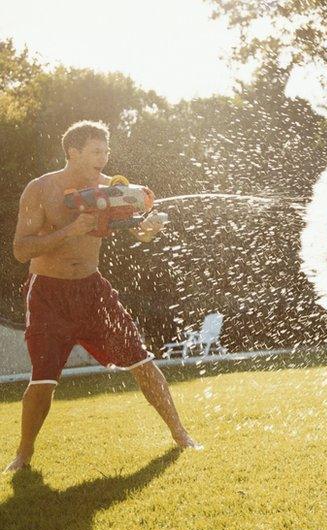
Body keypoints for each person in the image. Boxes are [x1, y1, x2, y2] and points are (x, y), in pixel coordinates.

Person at [6, 120, 199, 472]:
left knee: (142, 360)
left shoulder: (112, 189)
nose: (104, 158)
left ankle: (181, 434)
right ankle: (24, 454)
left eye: (106, 151)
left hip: (92, 290)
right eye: (96, 151)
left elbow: (136, 229)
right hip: (48, 294)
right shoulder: (41, 190)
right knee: (43, 380)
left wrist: (149, 230)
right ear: (73, 152)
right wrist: (71, 230)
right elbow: (21, 249)